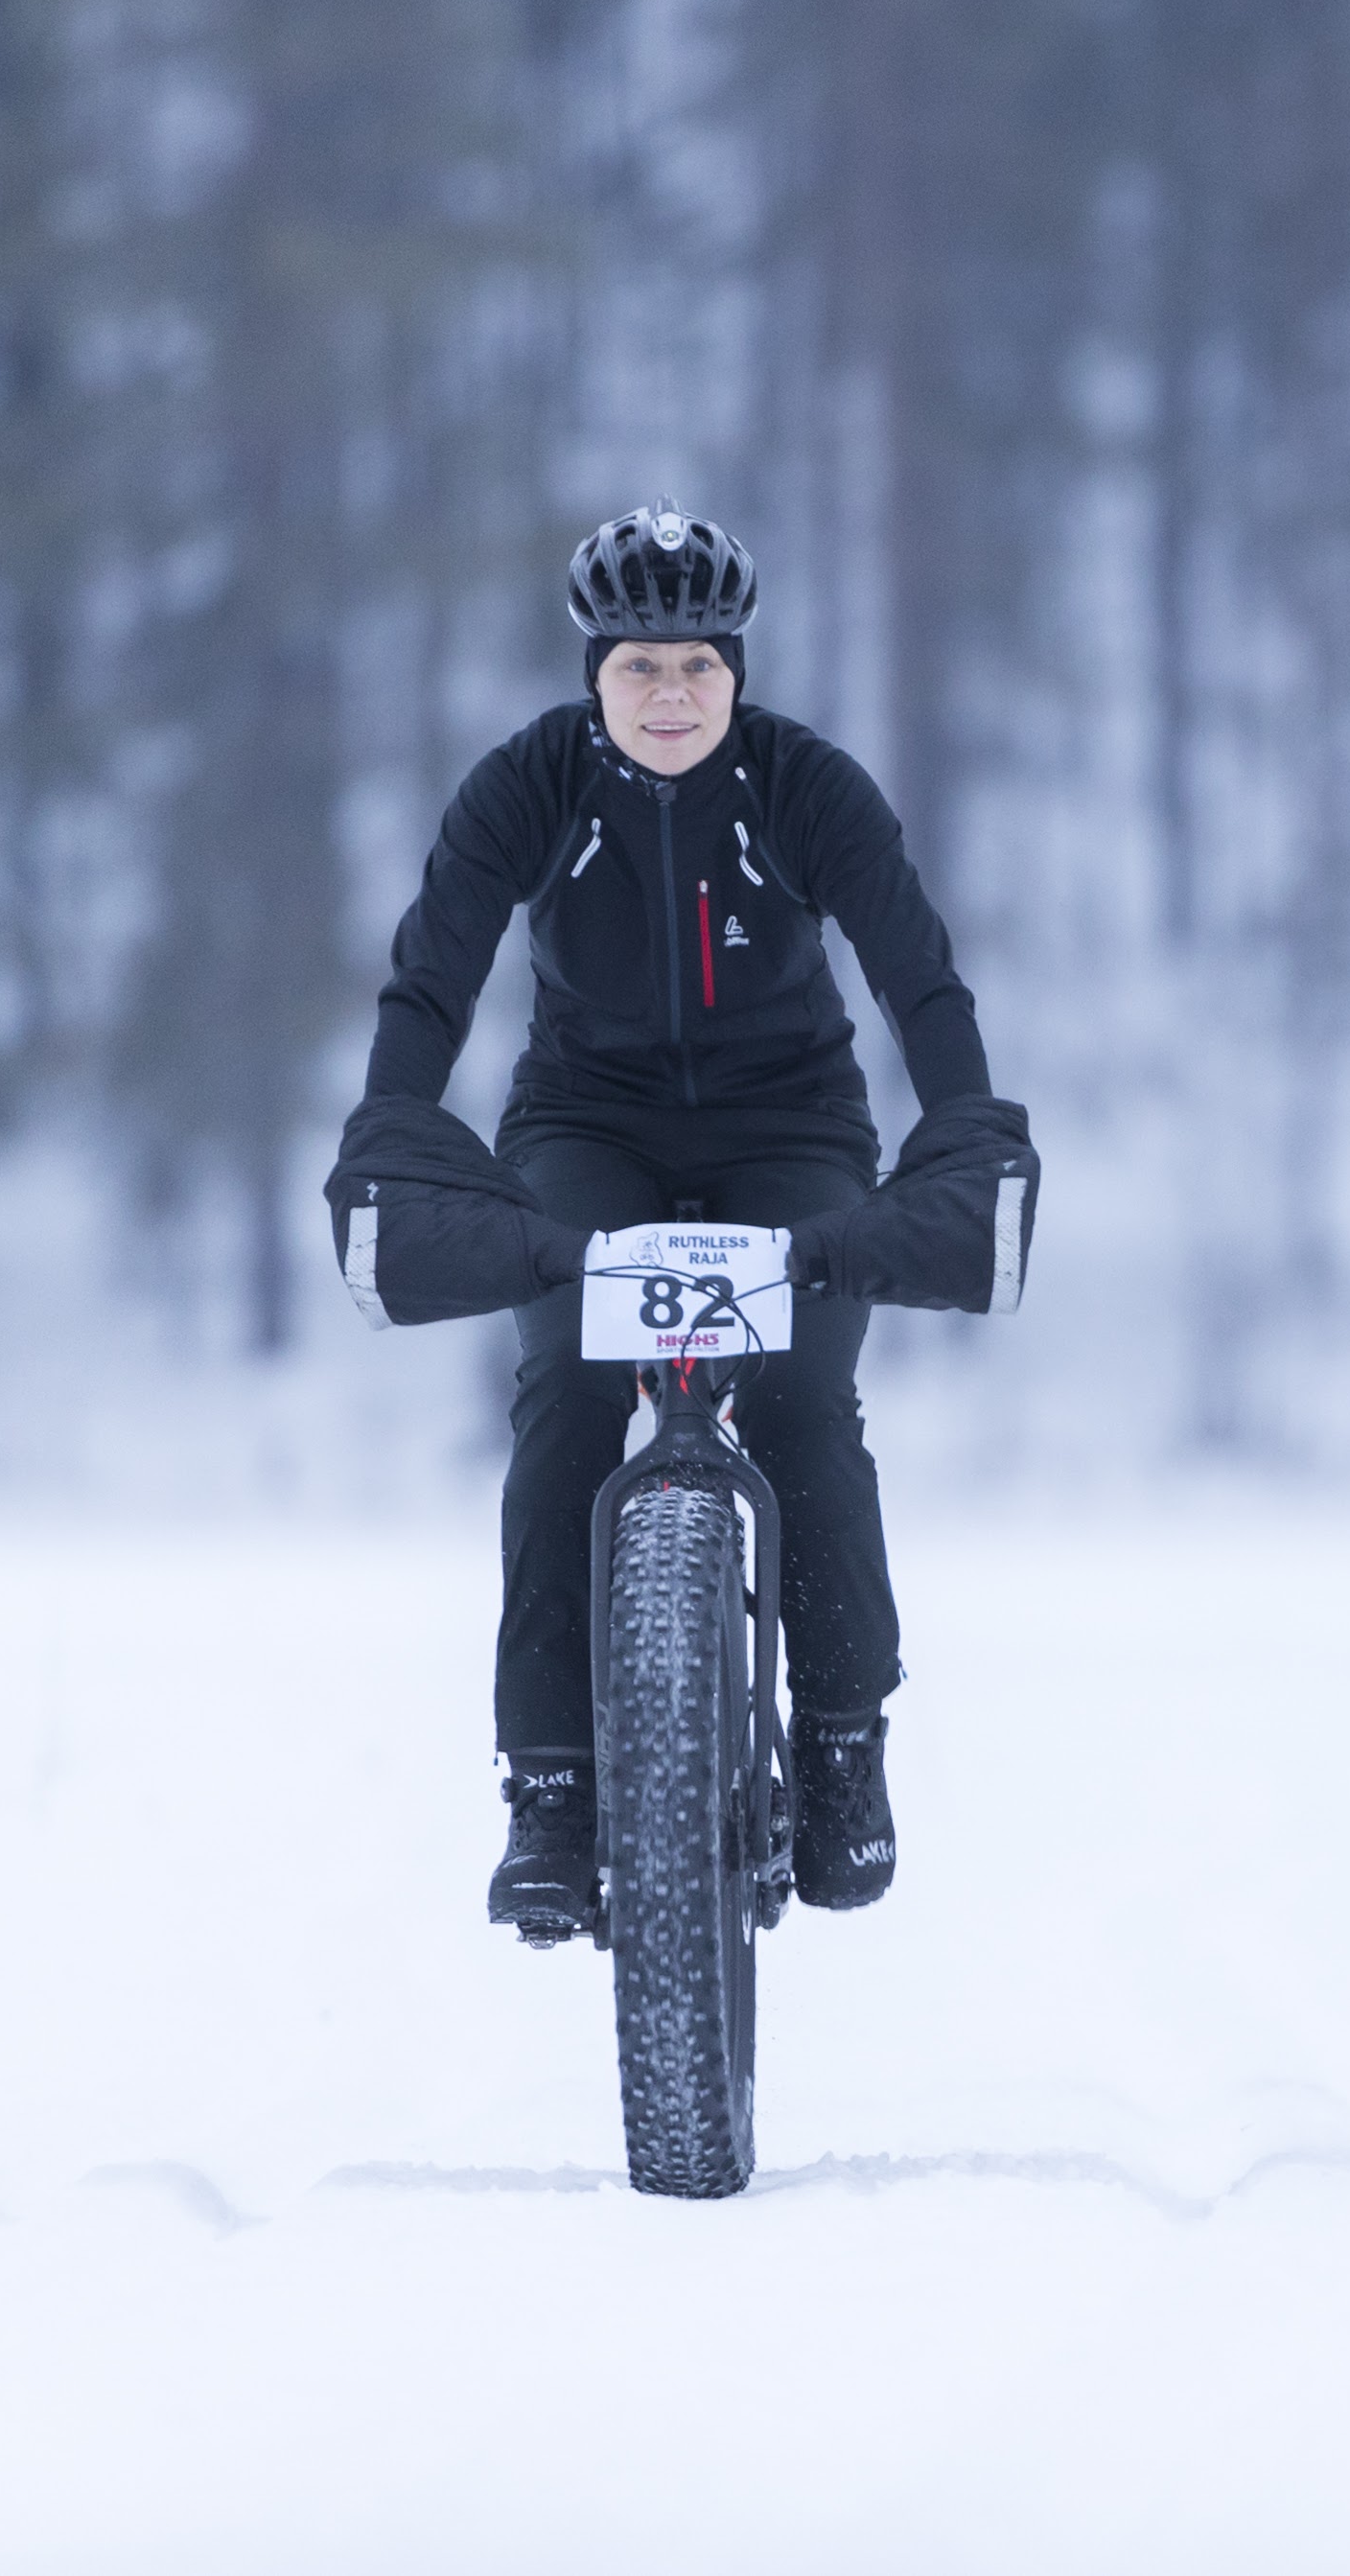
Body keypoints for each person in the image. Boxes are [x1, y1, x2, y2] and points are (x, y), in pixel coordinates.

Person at [352, 507, 1012, 1941]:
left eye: (698, 665)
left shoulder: (806, 786)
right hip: (586, 1126)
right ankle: (551, 1786)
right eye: (639, 665)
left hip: (793, 1127)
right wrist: (394, 1126)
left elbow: (919, 979)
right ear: (593, 672)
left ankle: (841, 1740)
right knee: (564, 1393)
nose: (670, 693)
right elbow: (431, 984)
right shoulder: (528, 785)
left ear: (736, 672)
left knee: (805, 1399)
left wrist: (961, 1129)